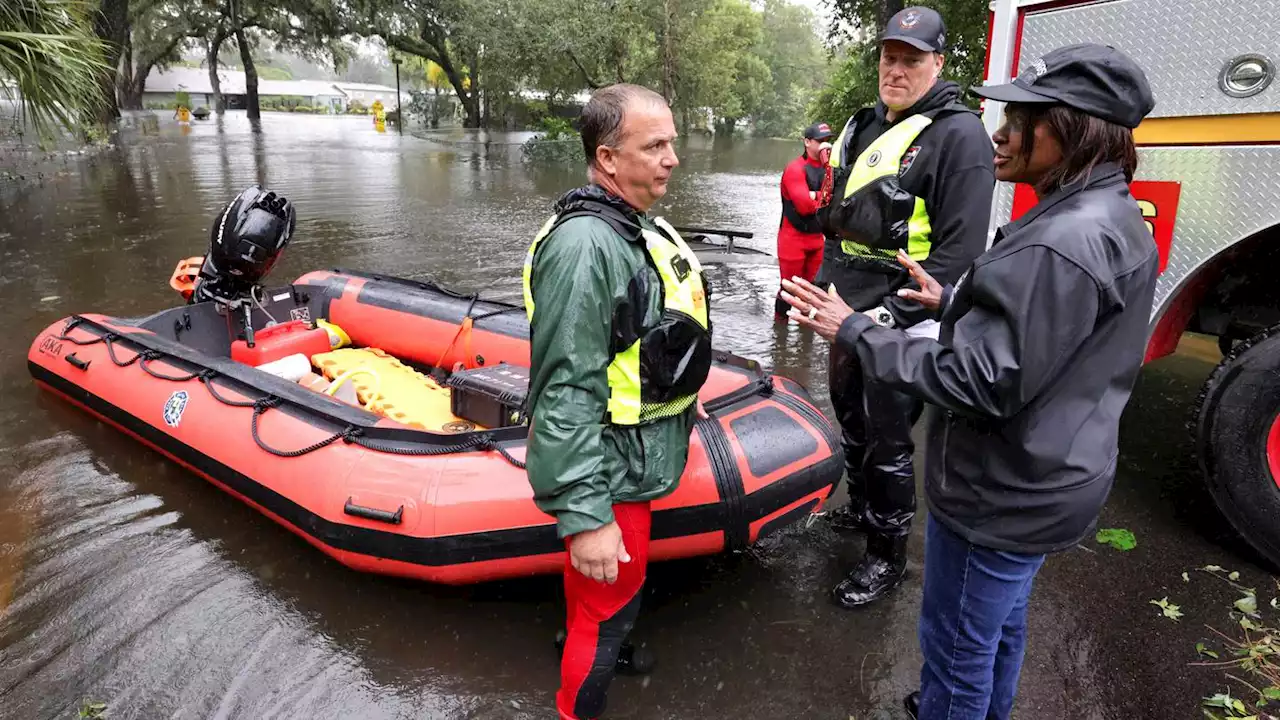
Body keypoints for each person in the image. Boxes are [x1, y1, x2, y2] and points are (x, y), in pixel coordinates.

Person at [782, 42, 1157, 720]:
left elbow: (979, 382)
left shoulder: (1058, 241)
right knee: (1000, 630)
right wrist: (954, 303)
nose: (1002, 134)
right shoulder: (1112, 216)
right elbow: (1060, 334)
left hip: (1001, 495)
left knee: (955, 651)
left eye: (1022, 118)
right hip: (1054, 476)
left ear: (1071, 128)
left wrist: (858, 329)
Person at [521, 83, 712, 720]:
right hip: (609, 468)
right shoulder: (584, 248)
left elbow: (643, 337)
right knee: (606, 614)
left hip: (640, 450)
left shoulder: (633, 226)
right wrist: (586, 516)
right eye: (654, 146)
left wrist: (684, 393)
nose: (672, 159)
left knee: (608, 601)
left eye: (672, 144)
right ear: (608, 159)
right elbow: (566, 389)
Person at [815, 5, 995, 608]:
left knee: (890, 437)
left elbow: (960, 251)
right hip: (846, 303)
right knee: (852, 418)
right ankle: (864, 509)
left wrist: (889, 317)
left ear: (938, 63)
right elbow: (841, 224)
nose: (896, 69)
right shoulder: (863, 124)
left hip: (905, 313)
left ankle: (885, 555)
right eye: (890, 57)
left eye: (912, 60)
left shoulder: (959, 134)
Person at [775, 122, 835, 319]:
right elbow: (805, 207)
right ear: (807, 142)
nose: (826, 146)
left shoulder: (831, 170)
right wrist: (824, 196)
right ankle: (779, 336)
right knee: (789, 290)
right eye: (820, 141)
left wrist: (814, 194)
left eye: (828, 141)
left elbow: (838, 201)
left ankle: (805, 337)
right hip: (792, 238)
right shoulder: (795, 169)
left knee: (812, 291)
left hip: (817, 239)